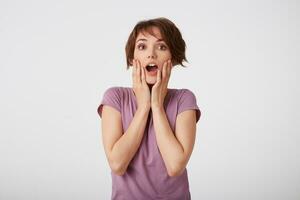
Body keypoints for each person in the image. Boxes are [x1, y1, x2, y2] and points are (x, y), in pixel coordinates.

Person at [97, 17, 201, 200]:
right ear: (132, 58)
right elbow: (117, 164)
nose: (151, 55)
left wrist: (157, 106)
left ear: (173, 58)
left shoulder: (184, 99)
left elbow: (175, 166)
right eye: (142, 47)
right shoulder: (115, 98)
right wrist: (144, 106)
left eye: (162, 47)